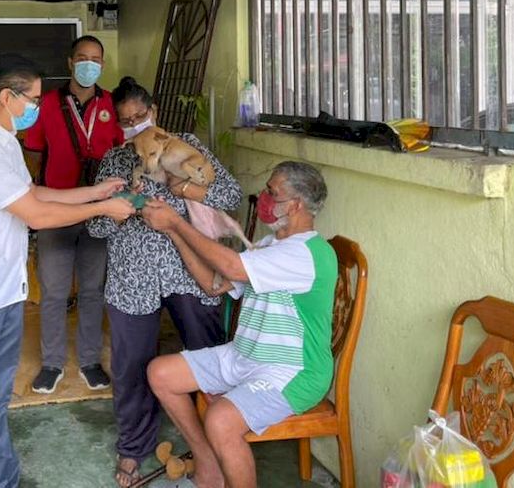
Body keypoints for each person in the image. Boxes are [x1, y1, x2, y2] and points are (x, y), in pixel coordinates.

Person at [0, 54, 136, 488]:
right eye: (33, 99)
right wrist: (104, 208)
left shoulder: (4, 141)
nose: (37, 107)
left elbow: (33, 193)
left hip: (3, 292)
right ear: (7, 97)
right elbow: (35, 214)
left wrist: (95, 191)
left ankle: (2, 480)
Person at [142, 161, 337, 488]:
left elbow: (232, 267)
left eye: (272, 192)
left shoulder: (307, 254)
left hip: (292, 371)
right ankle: (209, 467)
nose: (263, 197)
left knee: (221, 421)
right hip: (245, 355)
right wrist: (173, 231)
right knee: (161, 374)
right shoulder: (270, 245)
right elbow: (213, 285)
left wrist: (176, 221)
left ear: (296, 205)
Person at [87, 76, 242, 487]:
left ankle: (217, 443)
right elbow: (96, 229)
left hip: (188, 271)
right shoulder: (115, 160)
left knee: (209, 356)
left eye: (141, 116)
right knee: (131, 367)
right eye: (126, 121)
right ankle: (133, 448)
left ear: (153, 111)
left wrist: (185, 187)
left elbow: (230, 194)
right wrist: (118, 208)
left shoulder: (185, 146)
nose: (135, 125)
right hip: (132, 276)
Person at [23, 35, 124, 395]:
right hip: (56, 209)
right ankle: (52, 363)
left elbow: (121, 153)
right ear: (70, 62)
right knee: (53, 290)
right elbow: (33, 152)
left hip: (99, 213)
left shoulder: (111, 105)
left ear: (103, 64)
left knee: (93, 290)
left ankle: (89, 361)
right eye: (82, 58)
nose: (88, 64)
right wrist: (34, 196)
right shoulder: (48, 104)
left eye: (95, 59)